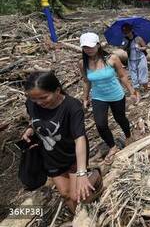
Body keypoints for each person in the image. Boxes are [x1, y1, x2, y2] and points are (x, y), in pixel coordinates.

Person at [22, 71, 101, 213]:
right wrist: (30, 129)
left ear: (57, 90)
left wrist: (82, 173)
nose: (39, 103)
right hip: (51, 157)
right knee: (65, 194)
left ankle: (94, 175)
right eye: (34, 99)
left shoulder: (72, 106)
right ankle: (76, 218)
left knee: (77, 195)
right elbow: (33, 119)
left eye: (43, 97)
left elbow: (80, 138)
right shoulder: (31, 103)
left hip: (73, 156)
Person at [79, 32, 139, 164]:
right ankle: (113, 146)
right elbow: (86, 81)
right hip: (99, 97)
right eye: (85, 47)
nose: (88, 50)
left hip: (116, 95)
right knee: (100, 124)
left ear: (98, 45)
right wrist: (85, 98)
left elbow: (122, 76)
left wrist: (132, 91)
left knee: (120, 118)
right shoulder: (83, 63)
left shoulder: (112, 58)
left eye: (91, 46)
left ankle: (128, 136)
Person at [121, 23, 149, 90]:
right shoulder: (125, 40)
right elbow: (123, 47)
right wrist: (125, 47)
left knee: (143, 72)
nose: (127, 33)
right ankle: (137, 91)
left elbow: (145, 47)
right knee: (133, 76)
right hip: (131, 59)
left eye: (128, 32)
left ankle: (146, 88)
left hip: (140, 58)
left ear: (131, 30)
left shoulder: (138, 38)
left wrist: (140, 48)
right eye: (125, 32)